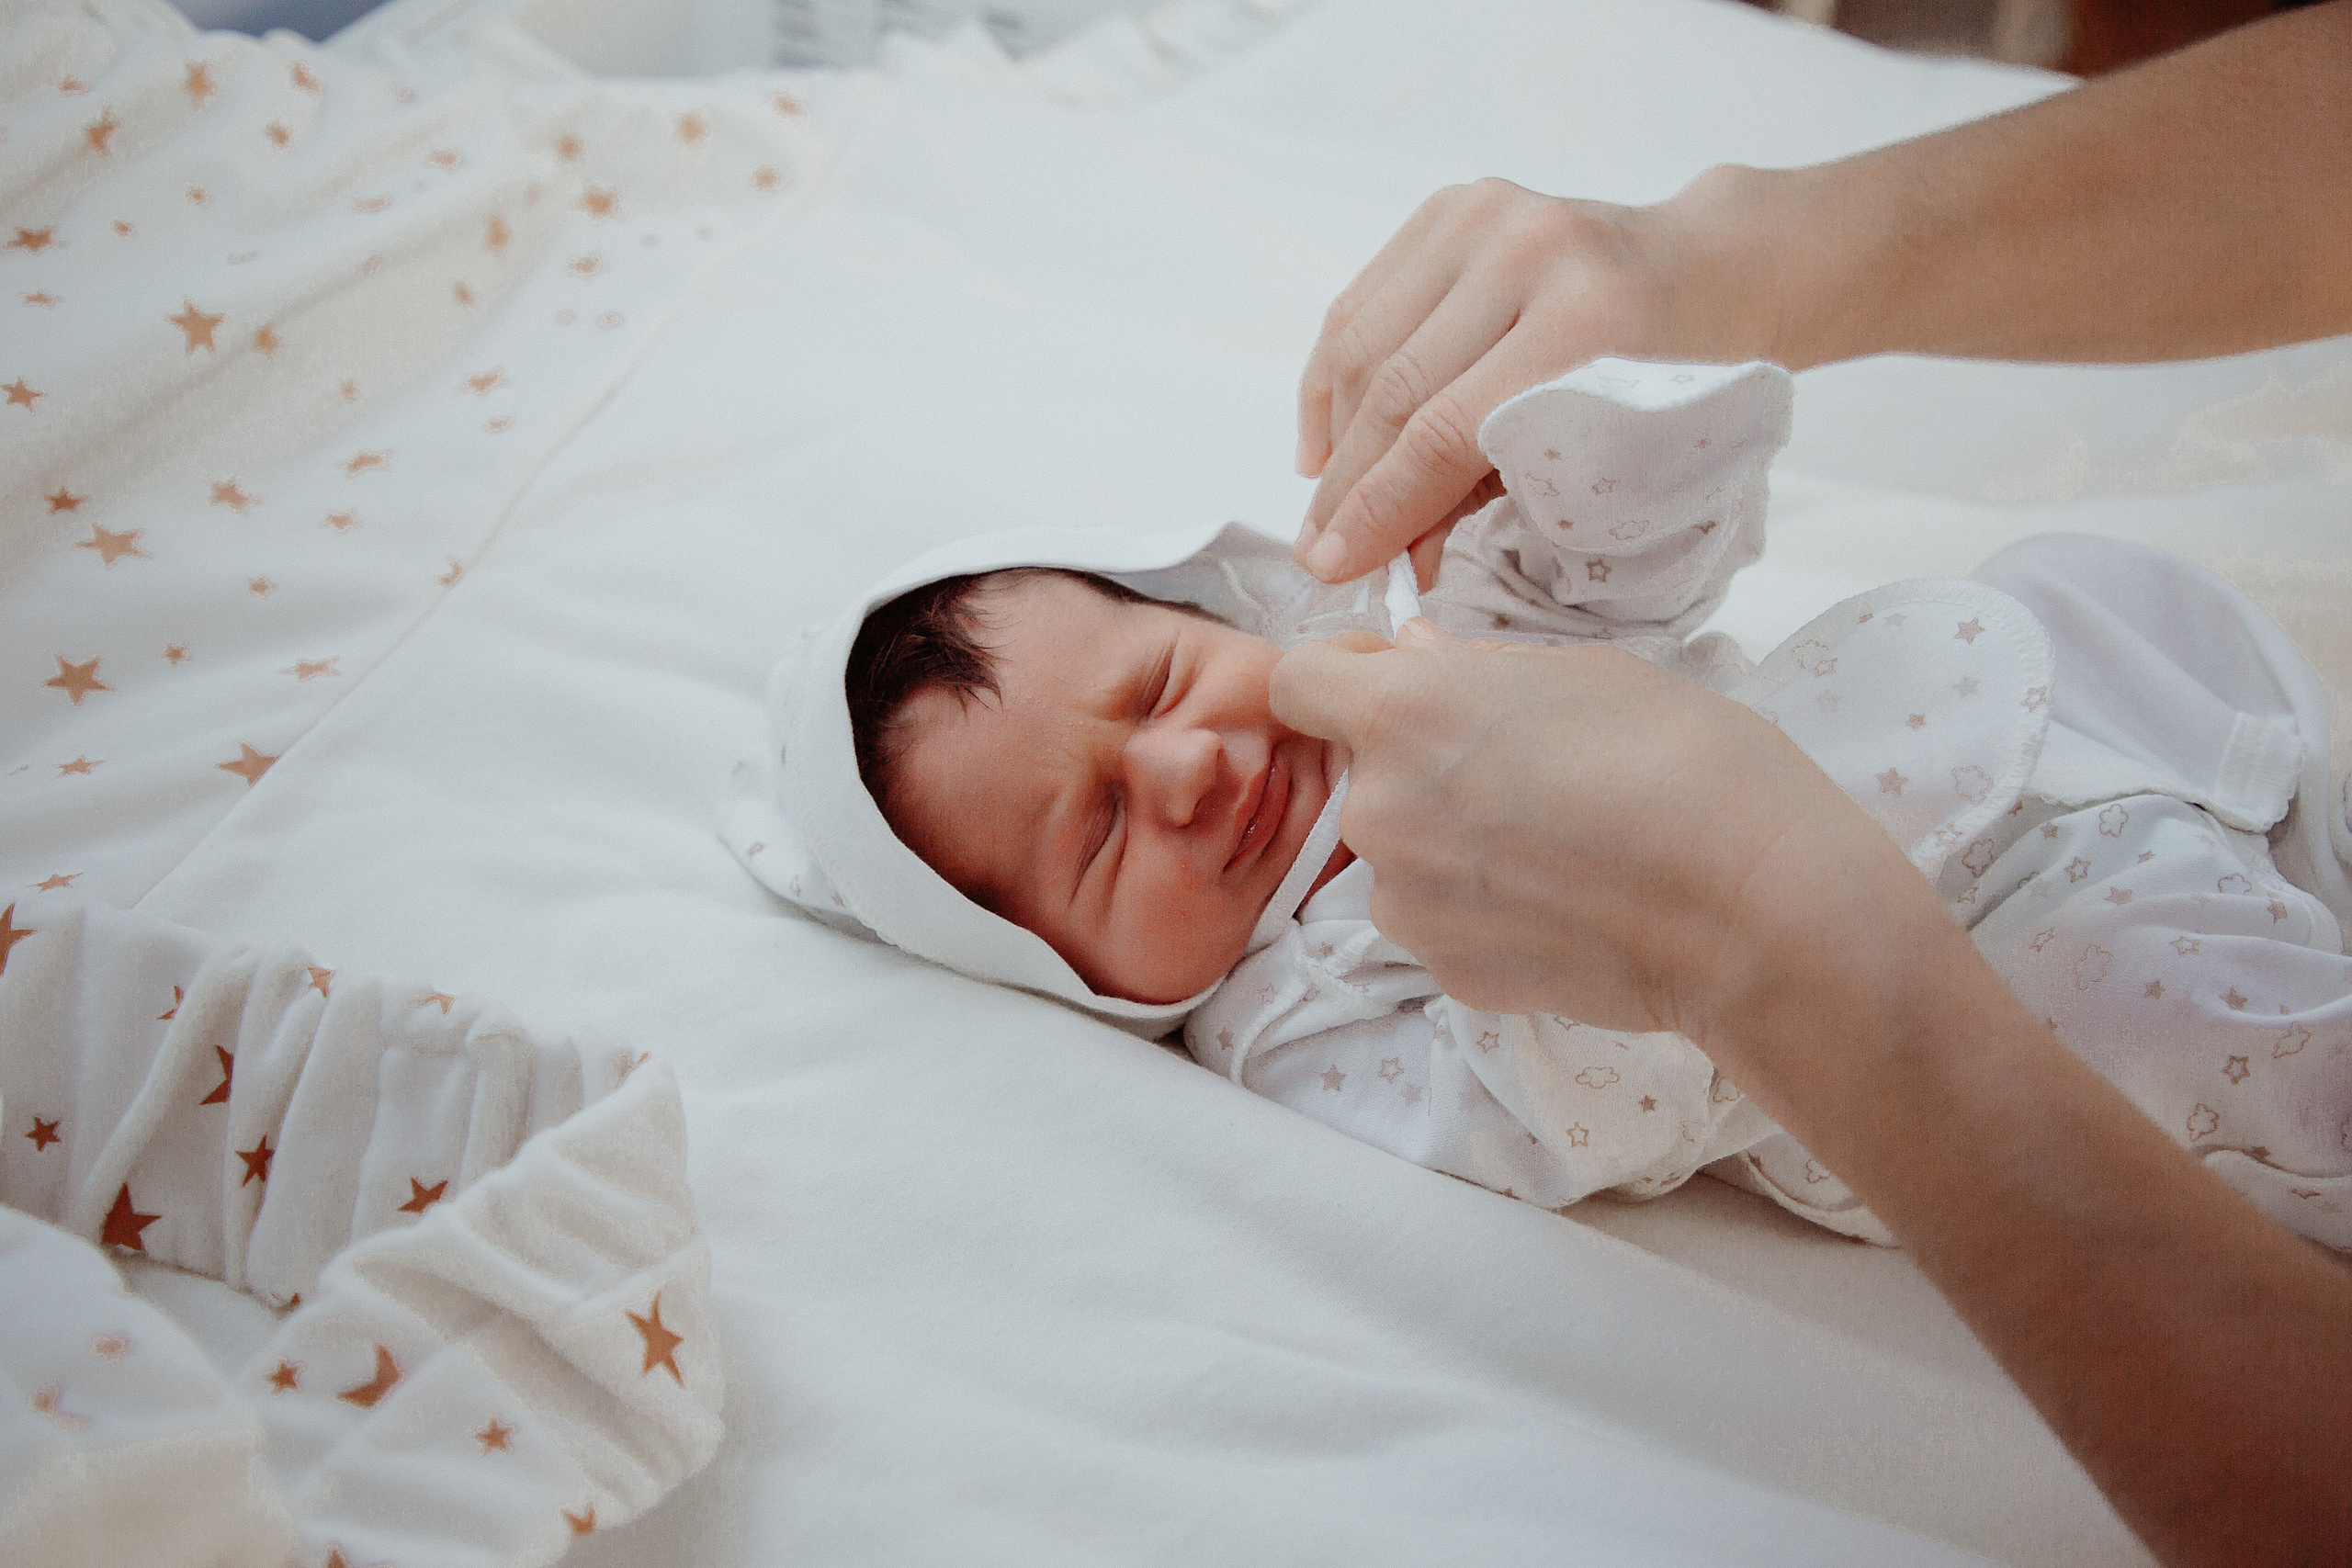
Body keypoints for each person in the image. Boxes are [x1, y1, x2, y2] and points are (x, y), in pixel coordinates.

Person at [1272, 6, 2352, 1565]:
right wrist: (1738, 933)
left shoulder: (1449, 661)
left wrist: (1611, 413)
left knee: (2081, 594)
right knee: (2176, 1014)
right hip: (2097, 996)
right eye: (1086, 836)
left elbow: (1630, 566)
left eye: (1158, 683)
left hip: (2146, 740)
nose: (1175, 776)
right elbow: (1549, 1113)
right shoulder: (1324, 1021)